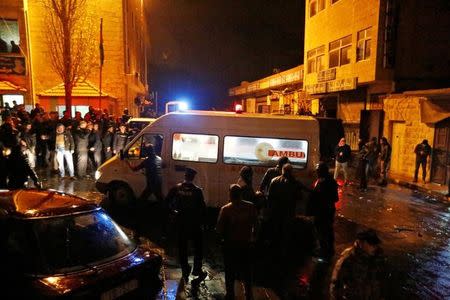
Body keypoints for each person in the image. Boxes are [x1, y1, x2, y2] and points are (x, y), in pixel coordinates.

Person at [166, 167, 207, 282]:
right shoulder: (197, 191)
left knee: (182, 247)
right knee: (198, 247)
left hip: (180, 223)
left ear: (185, 176)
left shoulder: (176, 188)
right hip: (194, 224)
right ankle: (197, 270)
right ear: (193, 177)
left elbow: (166, 202)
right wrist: (203, 223)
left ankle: (185, 270)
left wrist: (173, 212)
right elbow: (203, 209)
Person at [216, 184, 257, 300]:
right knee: (247, 271)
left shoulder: (226, 209)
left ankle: (230, 294)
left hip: (230, 245)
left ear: (230, 194)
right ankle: (249, 294)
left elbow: (219, 229)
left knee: (230, 271)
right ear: (241, 194)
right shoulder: (251, 207)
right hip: (246, 244)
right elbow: (257, 226)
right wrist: (254, 239)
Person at [330, 229, 387, 300]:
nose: (374, 247)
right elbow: (336, 284)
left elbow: (381, 280)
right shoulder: (348, 258)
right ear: (361, 243)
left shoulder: (376, 258)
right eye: (371, 244)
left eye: (375, 244)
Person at [267, 164, 306, 248]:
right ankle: (284, 252)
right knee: (286, 234)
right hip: (288, 212)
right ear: (291, 172)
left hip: (276, 212)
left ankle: (274, 250)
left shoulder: (274, 180)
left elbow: (269, 197)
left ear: (282, 171)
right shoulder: (294, 182)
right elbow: (299, 197)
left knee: (276, 232)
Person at [307, 162, 339, 258]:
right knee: (326, 230)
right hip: (323, 211)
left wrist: (321, 197)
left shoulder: (328, 182)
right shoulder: (322, 181)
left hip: (324, 211)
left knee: (324, 231)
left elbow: (335, 198)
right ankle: (327, 250)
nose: (317, 173)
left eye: (318, 171)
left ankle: (325, 251)